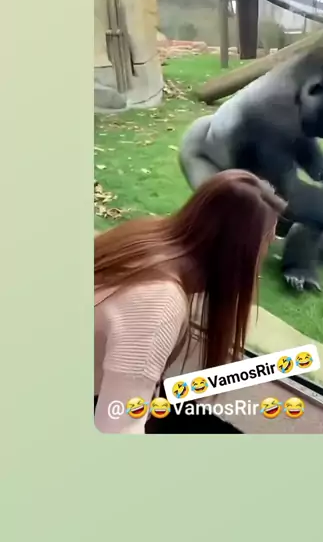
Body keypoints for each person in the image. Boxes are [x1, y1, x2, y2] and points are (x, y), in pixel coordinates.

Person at [94, 169, 286, 434]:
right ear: (240, 252)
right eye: (267, 242)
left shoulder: (147, 235)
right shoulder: (159, 305)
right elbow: (117, 429)